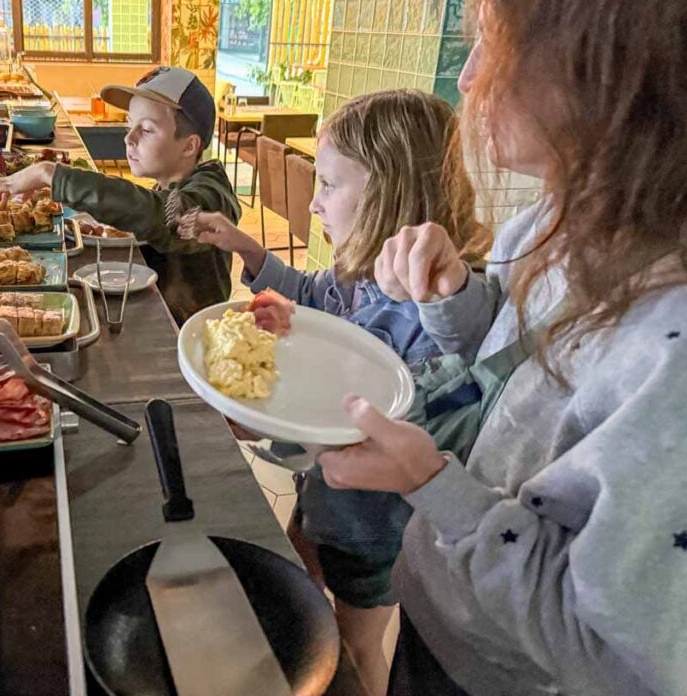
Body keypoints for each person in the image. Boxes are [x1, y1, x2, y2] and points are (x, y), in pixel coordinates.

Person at [315, 0, 687, 694]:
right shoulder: (551, 218)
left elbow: (613, 651)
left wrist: (434, 485)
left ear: (611, 69)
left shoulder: (673, 356)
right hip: (443, 608)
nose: (469, 76)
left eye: (494, 41)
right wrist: (456, 296)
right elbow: (507, 358)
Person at [194, 89, 491, 696]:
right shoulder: (362, 273)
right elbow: (315, 297)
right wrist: (257, 263)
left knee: (355, 646)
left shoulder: (443, 317)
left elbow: (394, 422)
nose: (314, 201)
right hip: (325, 495)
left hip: (376, 526)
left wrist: (266, 425)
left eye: (328, 185)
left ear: (387, 193)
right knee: (300, 575)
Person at [0, 67, 240, 323]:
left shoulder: (212, 196)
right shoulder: (168, 183)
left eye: (146, 129)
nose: (129, 138)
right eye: (129, 124)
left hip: (190, 338)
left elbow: (162, 215)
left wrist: (52, 174)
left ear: (189, 146)